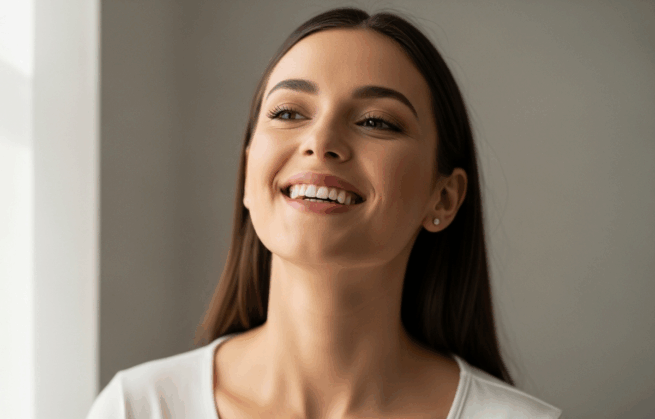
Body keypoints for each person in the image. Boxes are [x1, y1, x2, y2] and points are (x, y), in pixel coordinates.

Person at [87, 7, 563, 419]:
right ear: (248, 171)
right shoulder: (139, 407)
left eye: (376, 121)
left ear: (444, 198)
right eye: (289, 113)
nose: (321, 142)